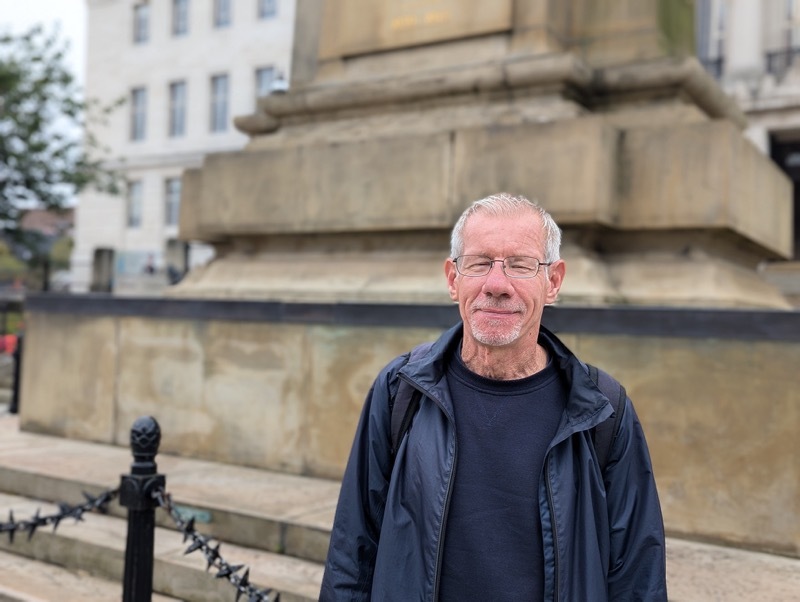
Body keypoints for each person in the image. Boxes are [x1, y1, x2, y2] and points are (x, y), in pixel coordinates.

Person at [319, 193, 667, 601]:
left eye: (521, 265)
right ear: (453, 279)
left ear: (552, 282)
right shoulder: (401, 390)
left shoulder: (602, 408)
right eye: (480, 263)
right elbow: (353, 550)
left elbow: (637, 576)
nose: (497, 285)